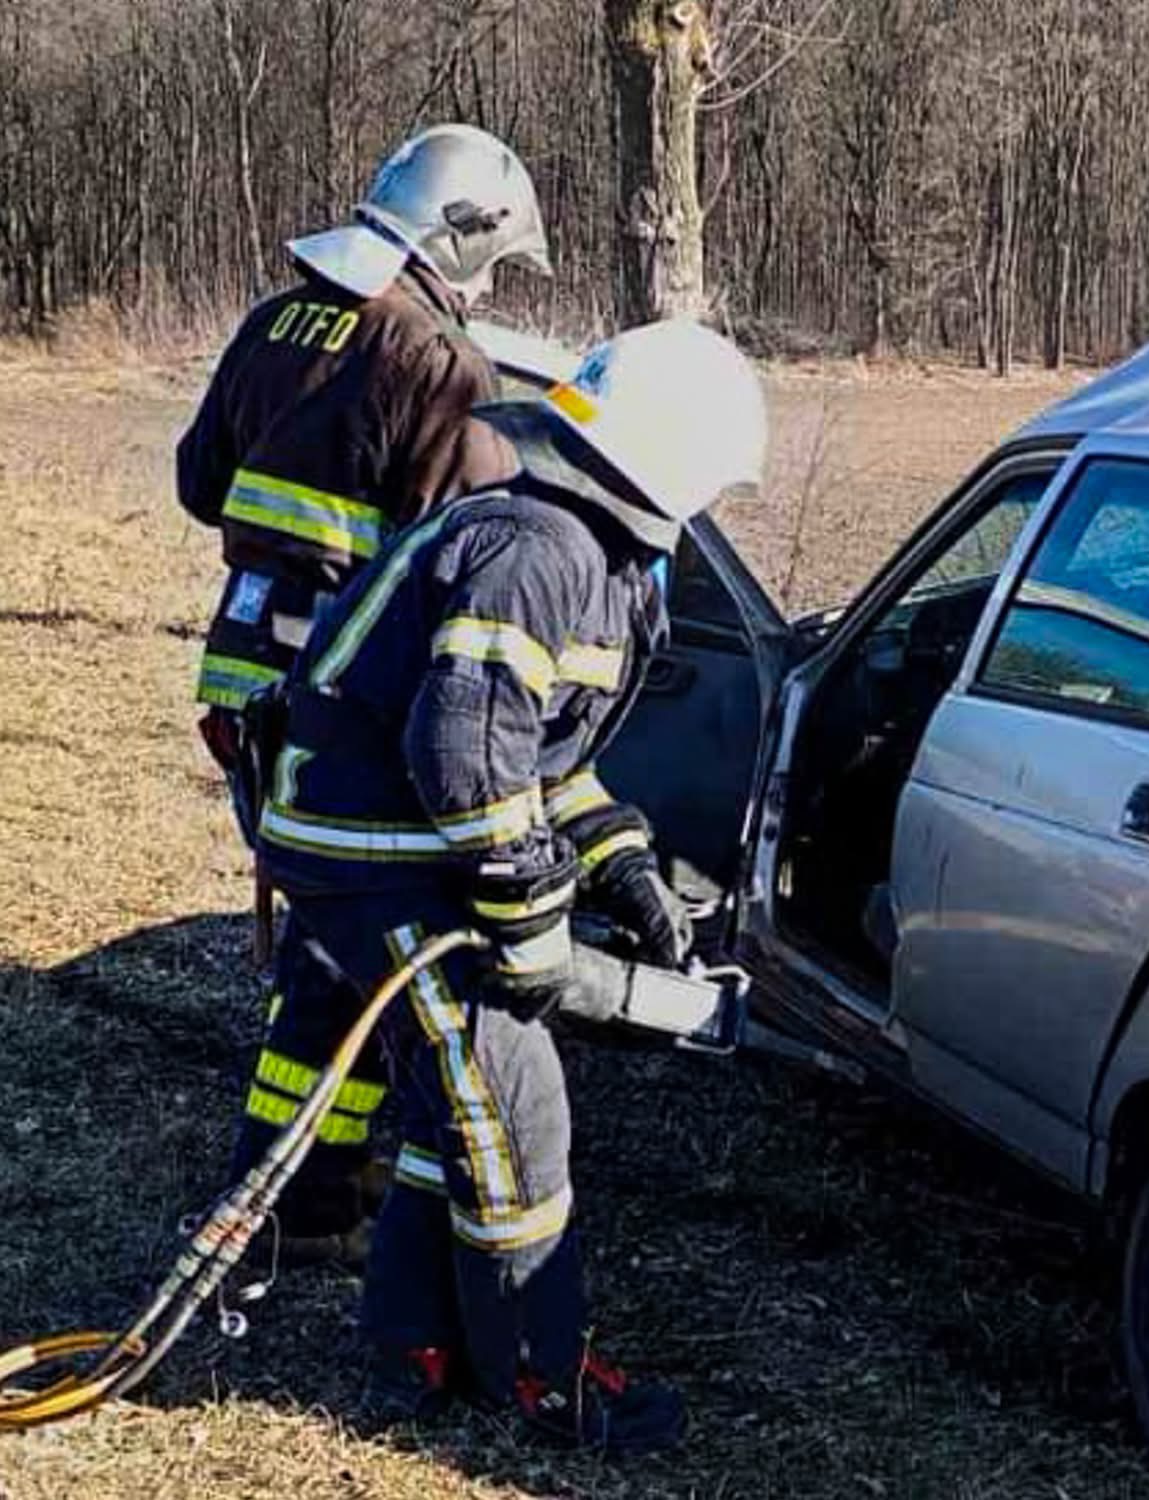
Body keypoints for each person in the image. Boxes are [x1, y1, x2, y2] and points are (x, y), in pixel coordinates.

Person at [253, 318, 766, 1450]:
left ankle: (413, 1345)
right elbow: (468, 759)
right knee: (512, 1098)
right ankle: (539, 1375)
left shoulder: (583, 552)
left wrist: (623, 867)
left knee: (458, 1102)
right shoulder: (542, 550)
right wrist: (530, 928)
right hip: (374, 851)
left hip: (391, 838)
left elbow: (548, 765)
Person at [177, 124, 549, 1256]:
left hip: (244, 682)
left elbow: (203, 487)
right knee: (367, 948)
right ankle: (323, 1197)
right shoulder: (436, 362)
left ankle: (313, 1185)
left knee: (328, 942)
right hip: (345, 703)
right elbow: (475, 554)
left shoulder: (273, 322)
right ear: (464, 230)